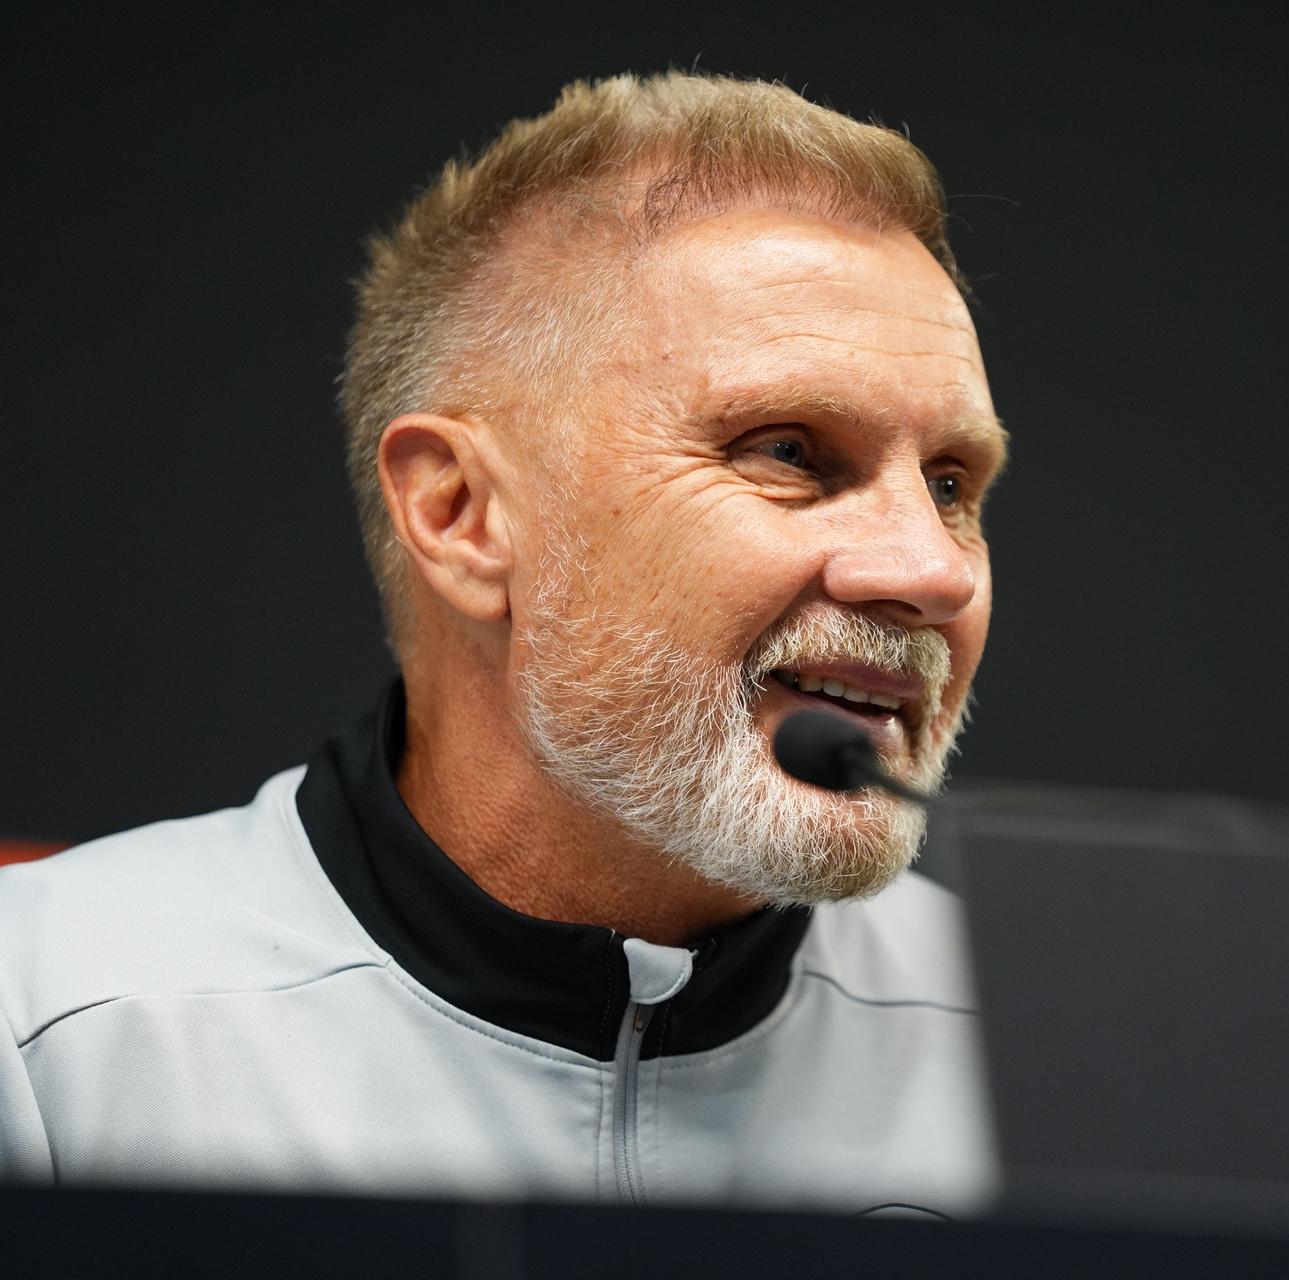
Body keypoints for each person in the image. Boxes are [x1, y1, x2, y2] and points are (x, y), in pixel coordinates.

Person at [0, 72, 1006, 1214]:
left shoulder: (1055, 1053)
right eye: (788, 449)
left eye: (950, 482)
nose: (930, 569)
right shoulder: (44, 1025)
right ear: (461, 515)